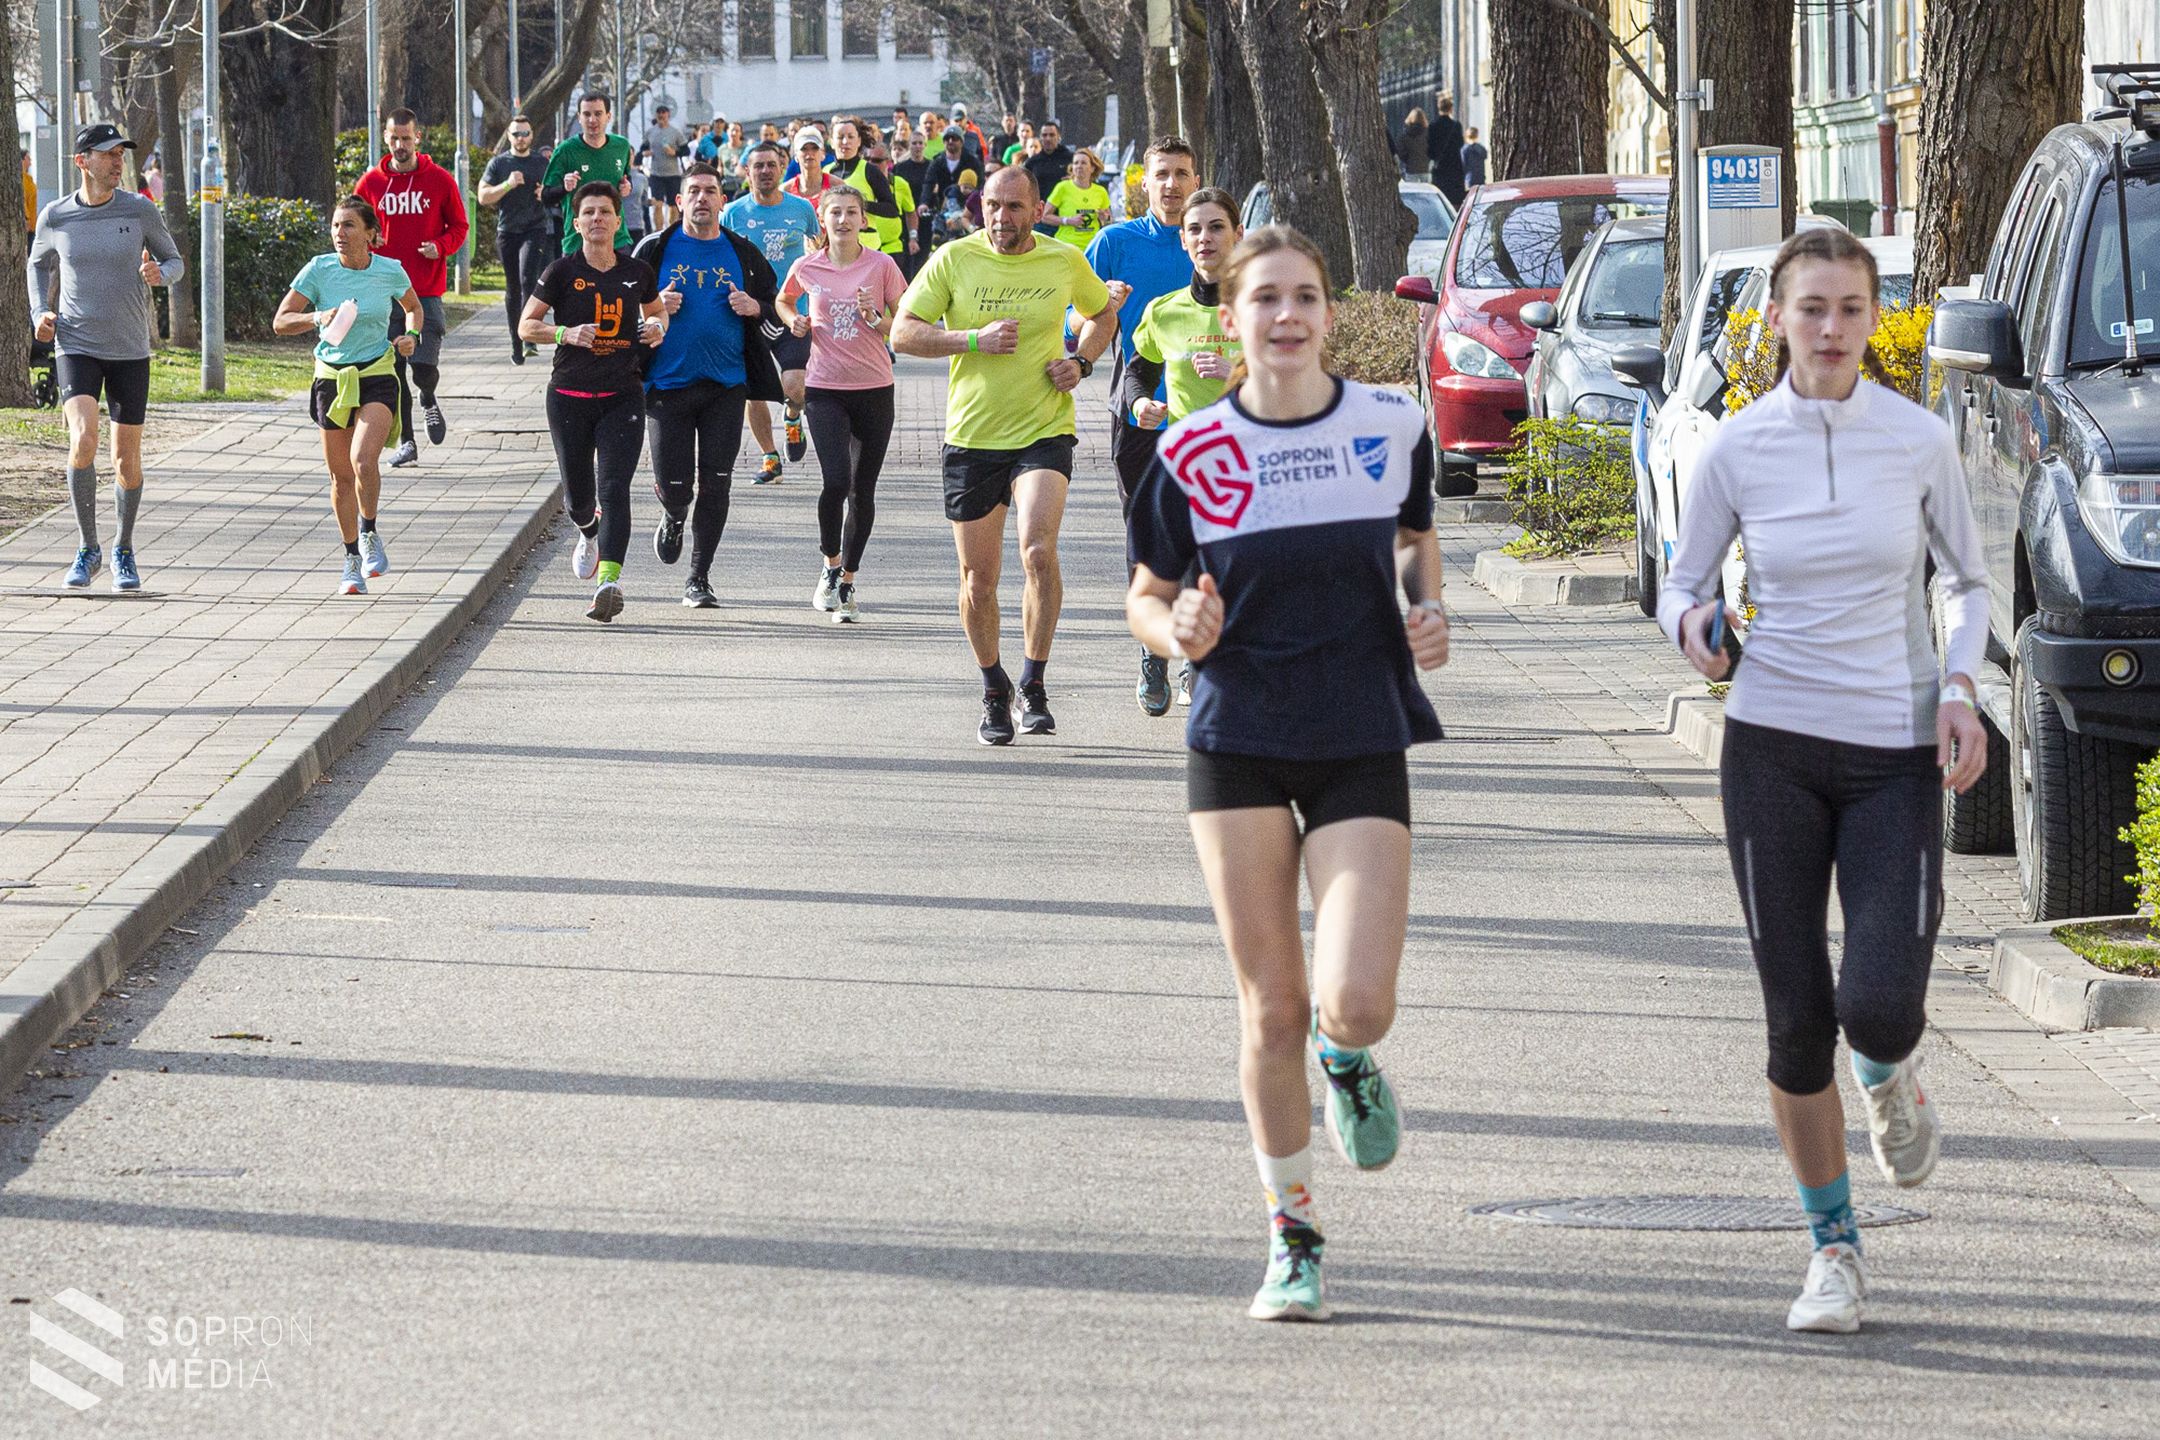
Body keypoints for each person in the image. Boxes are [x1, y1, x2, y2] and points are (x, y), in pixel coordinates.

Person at [1659, 227, 1983, 1336]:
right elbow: (1682, 583)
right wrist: (1694, 627)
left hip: (1895, 753)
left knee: (1877, 1005)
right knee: (1798, 1023)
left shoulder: (1918, 439)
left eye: (1851, 309)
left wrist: (1959, 687)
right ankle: (1834, 1252)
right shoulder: (1738, 450)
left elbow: (1968, 580)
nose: (1833, 329)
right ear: (1778, 321)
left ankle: (1890, 1075)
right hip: (1772, 752)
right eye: (1812, 309)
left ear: (1872, 317)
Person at [1125, 224, 1449, 1324]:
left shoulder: (1391, 425)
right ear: (1233, 318)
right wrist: (1180, 632)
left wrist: (1424, 604)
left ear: (1326, 310)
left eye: (1306, 295)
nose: (1289, 316)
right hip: (1239, 735)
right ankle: (1293, 1235)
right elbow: (1144, 593)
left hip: (1361, 725)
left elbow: (1413, 539)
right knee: (1271, 1008)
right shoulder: (1193, 452)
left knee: (1351, 1003)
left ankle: (1348, 1063)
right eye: (1266, 299)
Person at [892, 164, 1115, 744]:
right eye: (992, 206)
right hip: (971, 437)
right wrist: (971, 339)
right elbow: (903, 332)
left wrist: (1082, 362)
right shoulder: (953, 259)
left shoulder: (1064, 259)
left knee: (1038, 552)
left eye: (1014, 207)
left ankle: (1034, 684)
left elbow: (1102, 314)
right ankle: (995, 688)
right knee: (978, 579)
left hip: (1044, 429)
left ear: (1037, 211)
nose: (1001, 218)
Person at [29, 123, 185, 593]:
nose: (118, 162)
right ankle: (87, 547)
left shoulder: (139, 209)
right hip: (75, 341)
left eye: (121, 154)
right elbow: (36, 263)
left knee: (126, 460)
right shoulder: (56, 216)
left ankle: (123, 549)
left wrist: (162, 274)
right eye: (108, 154)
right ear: (83, 161)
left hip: (129, 348)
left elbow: (175, 262)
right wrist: (41, 311)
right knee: (84, 439)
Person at [1074, 136, 1200, 712]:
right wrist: (1101, 305)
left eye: (1181, 173)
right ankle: (1154, 649)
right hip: (1139, 405)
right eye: (1161, 175)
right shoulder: (1115, 242)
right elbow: (1075, 315)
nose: (1171, 185)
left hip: (1210, 414)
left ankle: (1197, 653)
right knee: (1149, 533)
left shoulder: (1215, 241)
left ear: (1196, 179)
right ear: (1142, 184)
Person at [634, 162, 791, 609]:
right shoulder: (656, 249)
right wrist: (653, 306)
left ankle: (699, 577)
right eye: (694, 192)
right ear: (680, 201)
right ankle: (673, 513)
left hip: (727, 385)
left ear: (724, 201)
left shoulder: (742, 252)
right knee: (676, 483)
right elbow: (621, 303)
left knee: (718, 482)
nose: (702, 198)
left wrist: (754, 307)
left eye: (711, 191)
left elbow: (774, 305)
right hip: (667, 383)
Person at [1120, 186, 1243, 710]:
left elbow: (1302, 380)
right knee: (1168, 560)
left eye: (1216, 227)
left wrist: (1239, 375)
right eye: (1194, 229)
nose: (1204, 238)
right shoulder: (1165, 311)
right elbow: (1137, 370)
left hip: (1247, 465)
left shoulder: (1262, 306)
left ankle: (1203, 659)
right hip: (1182, 463)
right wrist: (1142, 403)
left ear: (1237, 233)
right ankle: (1159, 652)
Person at [521, 182, 666, 622]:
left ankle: (609, 581)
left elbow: (657, 311)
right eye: (589, 212)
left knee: (615, 488)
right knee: (580, 499)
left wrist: (658, 327)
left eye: (606, 211)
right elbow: (527, 326)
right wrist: (565, 333)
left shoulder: (637, 271)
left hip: (622, 395)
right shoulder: (561, 271)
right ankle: (588, 530)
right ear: (577, 222)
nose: (598, 218)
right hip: (568, 397)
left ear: (619, 221)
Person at [272, 195, 422, 596]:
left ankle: (370, 531)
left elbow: (413, 307)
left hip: (376, 373)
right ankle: (351, 558)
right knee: (340, 478)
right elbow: (281, 321)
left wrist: (412, 335)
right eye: (336, 225)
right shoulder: (318, 271)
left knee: (362, 460)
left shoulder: (389, 270)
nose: (340, 233)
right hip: (331, 379)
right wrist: (315, 317)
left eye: (349, 225)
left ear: (371, 234)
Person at [780, 186, 908, 624]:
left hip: (874, 388)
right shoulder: (807, 265)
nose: (843, 220)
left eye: (852, 212)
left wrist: (876, 319)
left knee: (862, 490)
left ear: (863, 219)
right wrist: (791, 318)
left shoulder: (882, 265)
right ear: (823, 218)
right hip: (824, 388)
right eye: (835, 212)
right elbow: (784, 298)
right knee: (836, 480)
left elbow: (906, 325)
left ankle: (849, 582)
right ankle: (830, 567)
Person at [356, 108, 470, 468]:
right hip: (384, 292)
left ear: (417, 138)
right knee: (394, 371)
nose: (401, 145)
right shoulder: (371, 183)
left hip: (425, 290)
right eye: (395, 139)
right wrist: (369, 239)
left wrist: (441, 246)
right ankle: (407, 442)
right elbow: (353, 221)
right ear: (386, 138)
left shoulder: (439, 180)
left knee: (422, 365)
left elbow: (460, 226)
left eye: (407, 138)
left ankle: (429, 397)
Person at [724, 141, 822, 485]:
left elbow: (819, 247)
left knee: (795, 386)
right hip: (749, 310)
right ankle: (770, 457)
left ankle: (793, 417)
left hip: (793, 308)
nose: (765, 171)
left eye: (771, 165)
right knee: (755, 389)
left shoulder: (801, 209)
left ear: (782, 168)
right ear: (747, 171)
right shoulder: (733, 213)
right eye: (758, 166)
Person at [478, 113, 551, 365]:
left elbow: (556, 193)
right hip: (507, 230)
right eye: (516, 133)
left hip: (535, 228)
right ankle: (516, 342)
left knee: (527, 278)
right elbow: (483, 196)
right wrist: (507, 185)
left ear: (532, 136)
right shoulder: (499, 164)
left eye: (525, 133)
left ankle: (529, 335)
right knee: (513, 286)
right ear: (509, 136)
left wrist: (546, 194)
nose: (521, 138)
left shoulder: (541, 163)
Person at [542, 91, 634, 253]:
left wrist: (627, 187)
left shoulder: (622, 146)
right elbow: (546, 196)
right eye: (587, 114)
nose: (592, 120)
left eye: (598, 114)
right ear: (579, 117)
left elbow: (626, 179)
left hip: (616, 241)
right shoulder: (565, 150)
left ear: (608, 116)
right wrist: (564, 188)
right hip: (578, 243)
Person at [826, 118, 905, 262]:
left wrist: (860, 205)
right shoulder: (825, 173)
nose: (845, 142)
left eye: (850, 137)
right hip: (834, 248)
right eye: (840, 137)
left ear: (859, 141)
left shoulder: (869, 171)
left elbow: (892, 210)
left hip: (867, 246)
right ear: (831, 141)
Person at [1044, 148, 1111, 250]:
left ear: (1092, 168)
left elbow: (1109, 220)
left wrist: (1105, 218)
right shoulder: (1062, 187)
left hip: (1092, 247)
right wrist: (1068, 220)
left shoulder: (1100, 191)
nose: (1079, 166)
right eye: (1076, 163)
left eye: (1083, 163)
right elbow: (1045, 216)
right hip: (1067, 246)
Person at [893, 130, 932, 276]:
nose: (917, 146)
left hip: (925, 218)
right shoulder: (900, 168)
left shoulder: (931, 166)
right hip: (905, 216)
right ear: (909, 145)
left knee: (923, 258)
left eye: (920, 143)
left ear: (925, 145)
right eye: (914, 143)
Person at [643, 105, 688, 227]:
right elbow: (643, 149)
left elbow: (686, 150)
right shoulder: (650, 132)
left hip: (673, 174)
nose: (661, 116)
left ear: (668, 115)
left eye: (663, 113)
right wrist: (645, 153)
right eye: (659, 114)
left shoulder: (675, 132)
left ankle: (671, 229)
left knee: (673, 206)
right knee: (657, 204)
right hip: (656, 173)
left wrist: (675, 152)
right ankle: (658, 232)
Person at [1428, 95, 1467, 207]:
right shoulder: (1456, 126)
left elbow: (1430, 150)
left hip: (1440, 168)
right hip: (1454, 166)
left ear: (1439, 108)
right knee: (1455, 200)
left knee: (1441, 197)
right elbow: (1460, 144)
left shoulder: (1433, 126)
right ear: (1450, 109)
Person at [1023, 121, 1073, 203]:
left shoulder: (1070, 158)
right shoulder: (1032, 162)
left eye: (1052, 135)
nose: (1048, 139)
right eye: (1044, 135)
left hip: (1065, 207)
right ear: (1040, 138)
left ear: (1058, 137)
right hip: (1041, 208)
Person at [937, 169, 981, 243]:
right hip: (950, 213)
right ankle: (938, 234)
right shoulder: (954, 192)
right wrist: (959, 214)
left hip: (963, 215)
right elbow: (952, 206)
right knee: (940, 219)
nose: (967, 190)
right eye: (965, 187)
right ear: (960, 185)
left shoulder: (973, 196)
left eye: (970, 188)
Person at [1395, 107, 1430, 179]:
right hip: (1425, 169)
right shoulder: (1428, 134)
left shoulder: (1405, 135)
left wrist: (1408, 160)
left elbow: (1400, 152)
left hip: (1411, 169)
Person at [624, 155, 652, 243]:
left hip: (636, 225)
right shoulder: (612, 176)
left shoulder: (642, 178)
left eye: (630, 154)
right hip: (617, 227)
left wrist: (648, 228)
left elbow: (645, 204)